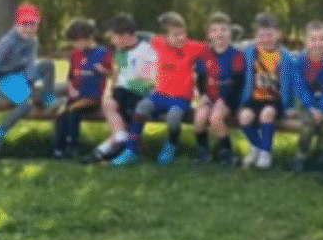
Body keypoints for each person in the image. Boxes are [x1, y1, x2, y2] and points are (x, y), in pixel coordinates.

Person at [119, 12, 209, 166]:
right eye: (175, 35)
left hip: (181, 98)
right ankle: (131, 150)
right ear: (166, 36)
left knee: (173, 118)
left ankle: (171, 144)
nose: (180, 38)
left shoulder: (194, 47)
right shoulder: (159, 42)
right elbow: (141, 35)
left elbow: (213, 48)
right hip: (160, 95)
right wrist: (126, 33)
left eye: (182, 34)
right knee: (141, 107)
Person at [0, 3, 57, 154]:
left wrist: (32, 83)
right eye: (24, 24)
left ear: (37, 25)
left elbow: (31, 62)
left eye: (32, 24)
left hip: (22, 74)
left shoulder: (33, 40)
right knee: (26, 105)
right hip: (5, 77)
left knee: (48, 65)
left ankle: (48, 99)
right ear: (16, 24)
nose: (28, 28)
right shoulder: (8, 41)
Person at [89, 13, 159, 164]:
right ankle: (120, 137)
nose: (111, 41)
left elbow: (149, 80)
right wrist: (111, 83)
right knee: (108, 103)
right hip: (123, 92)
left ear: (126, 36)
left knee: (129, 117)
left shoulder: (147, 50)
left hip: (141, 94)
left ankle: (106, 150)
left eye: (113, 37)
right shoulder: (120, 51)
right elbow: (120, 75)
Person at [238, 12, 294, 170]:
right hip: (254, 98)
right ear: (255, 37)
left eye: (270, 35)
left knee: (266, 114)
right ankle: (256, 147)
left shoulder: (285, 56)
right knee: (244, 117)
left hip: (275, 100)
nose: (266, 39)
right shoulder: (250, 53)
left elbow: (291, 83)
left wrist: (289, 107)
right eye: (261, 36)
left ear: (278, 34)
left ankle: (265, 153)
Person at [52, 18, 112, 160]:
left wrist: (103, 71)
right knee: (61, 111)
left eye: (77, 41)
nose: (75, 45)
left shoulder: (103, 53)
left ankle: (73, 147)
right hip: (76, 96)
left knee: (73, 110)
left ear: (89, 38)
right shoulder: (75, 54)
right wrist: (71, 89)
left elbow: (112, 75)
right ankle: (58, 148)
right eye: (73, 41)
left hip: (93, 97)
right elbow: (70, 77)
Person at [192, 12, 247, 165]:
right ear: (209, 35)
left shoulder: (236, 55)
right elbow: (201, 79)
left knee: (216, 118)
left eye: (223, 29)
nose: (219, 33)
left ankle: (227, 152)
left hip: (229, 100)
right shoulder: (204, 55)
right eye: (214, 30)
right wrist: (203, 96)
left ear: (230, 33)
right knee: (199, 118)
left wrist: (225, 101)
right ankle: (203, 151)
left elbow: (238, 84)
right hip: (210, 98)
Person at [290, 20, 323, 173]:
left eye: (322, 39)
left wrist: (322, 108)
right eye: (313, 39)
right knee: (308, 124)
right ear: (306, 41)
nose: (317, 43)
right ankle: (301, 154)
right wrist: (312, 108)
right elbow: (300, 88)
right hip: (308, 104)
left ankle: (322, 150)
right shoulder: (300, 61)